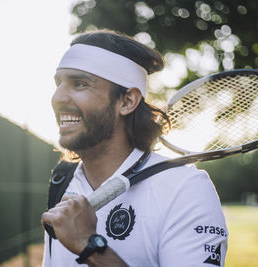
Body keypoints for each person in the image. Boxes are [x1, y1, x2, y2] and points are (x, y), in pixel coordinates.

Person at [41, 29, 228, 267]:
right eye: (59, 84)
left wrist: (90, 247)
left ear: (127, 101)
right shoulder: (62, 180)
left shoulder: (185, 189)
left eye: (79, 84)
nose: (57, 98)